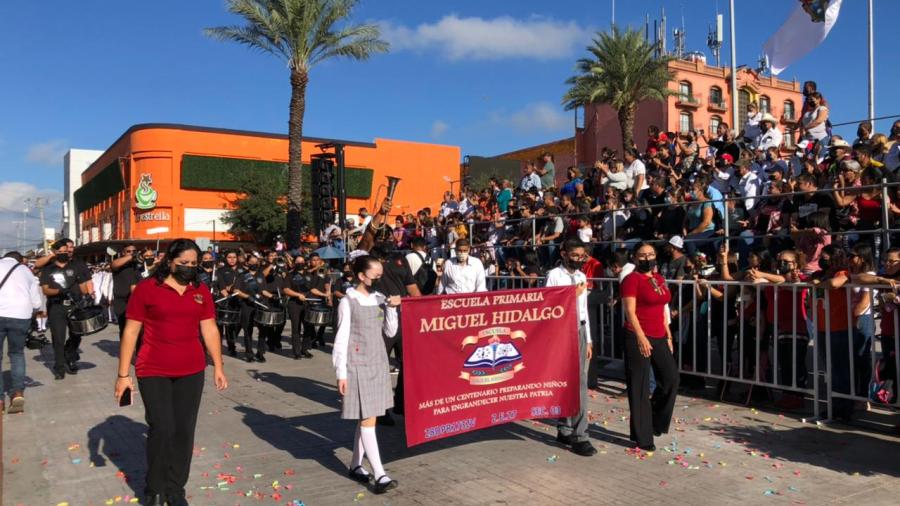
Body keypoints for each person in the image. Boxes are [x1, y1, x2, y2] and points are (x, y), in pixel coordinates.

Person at [115, 239, 228, 505]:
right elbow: (131, 331)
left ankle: (176, 488)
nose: (189, 267)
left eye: (193, 263)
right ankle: (154, 488)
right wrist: (123, 375)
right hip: (153, 368)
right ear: (169, 261)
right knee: (162, 427)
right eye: (183, 263)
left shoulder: (200, 290)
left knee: (184, 430)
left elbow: (209, 328)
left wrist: (219, 366)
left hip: (192, 369)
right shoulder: (147, 288)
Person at [333, 255, 401, 494]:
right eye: (376, 275)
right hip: (357, 365)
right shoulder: (348, 301)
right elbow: (341, 338)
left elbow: (390, 331)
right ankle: (380, 474)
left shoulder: (380, 298)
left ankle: (355, 465)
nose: (381, 279)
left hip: (378, 363)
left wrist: (392, 309)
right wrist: (341, 373)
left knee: (367, 417)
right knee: (368, 420)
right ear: (362, 276)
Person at [621, 242, 679, 451]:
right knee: (640, 386)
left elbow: (662, 308)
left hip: (659, 334)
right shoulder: (631, 279)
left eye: (651, 254)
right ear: (635, 257)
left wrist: (668, 333)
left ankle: (654, 420)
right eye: (643, 255)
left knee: (671, 379)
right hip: (637, 334)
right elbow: (630, 311)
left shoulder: (659, 278)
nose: (647, 258)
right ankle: (642, 435)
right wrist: (640, 337)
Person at [545, 239, 597, 456]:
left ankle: (574, 431)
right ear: (564, 254)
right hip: (563, 330)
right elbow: (548, 305)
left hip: (580, 329)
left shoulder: (582, 276)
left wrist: (589, 339)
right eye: (574, 255)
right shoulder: (554, 275)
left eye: (582, 256)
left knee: (580, 382)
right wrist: (570, 295)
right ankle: (574, 433)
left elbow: (584, 309)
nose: (578, 260)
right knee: (569, 382)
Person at [40, 240, 91, 380]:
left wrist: (87, 294)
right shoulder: (48, 269)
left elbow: (83, 286)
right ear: (55, 253)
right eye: (60, 251)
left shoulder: (75, 266)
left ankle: (70, 353)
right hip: (56, 306)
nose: (64, 253)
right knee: (58, 338)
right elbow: (45, 290)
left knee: (77, 334)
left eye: (65, 251)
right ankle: (59, 367)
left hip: (75, 305)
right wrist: (59, 291)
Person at [0, 252, 42, 414]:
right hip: (21, 316)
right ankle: (17, 393)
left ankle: (0, 400)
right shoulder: (26, 271)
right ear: (19, 260)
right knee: (16, 354)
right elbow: (37, 303)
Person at [283, 255, 313, 359]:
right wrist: (297, 295)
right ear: (294, 263)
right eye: (298, 261)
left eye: (302, 261)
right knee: (296, 328)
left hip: (307, 304)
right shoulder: (290, 275)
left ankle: (304, 349)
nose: (300, 263)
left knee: (308, 327)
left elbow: (312, 289)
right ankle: (296, 352)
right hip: (294, 304)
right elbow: (286, 290)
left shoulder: (309, 275)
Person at [214, 250, 243, 357]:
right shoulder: (221, 270)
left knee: (234, 327)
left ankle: (231, 345)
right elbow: (220, 286)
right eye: (229, 257)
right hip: (223, 302)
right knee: (220, 327)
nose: (232, 259)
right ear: (225, 258)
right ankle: (218, 349)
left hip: (237, 301)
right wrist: (227, 291)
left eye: (234, 257)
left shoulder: (242, 270)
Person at [110, 245, 140, 339]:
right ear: (123, 253)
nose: (131, 253)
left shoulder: (137, 264)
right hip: (123, 304)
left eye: (134, 251)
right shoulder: (119, 264)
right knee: (125, 330)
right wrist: (132, 256)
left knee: (140, 331)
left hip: (138, 302)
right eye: (128, 251)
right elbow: (113, 264)